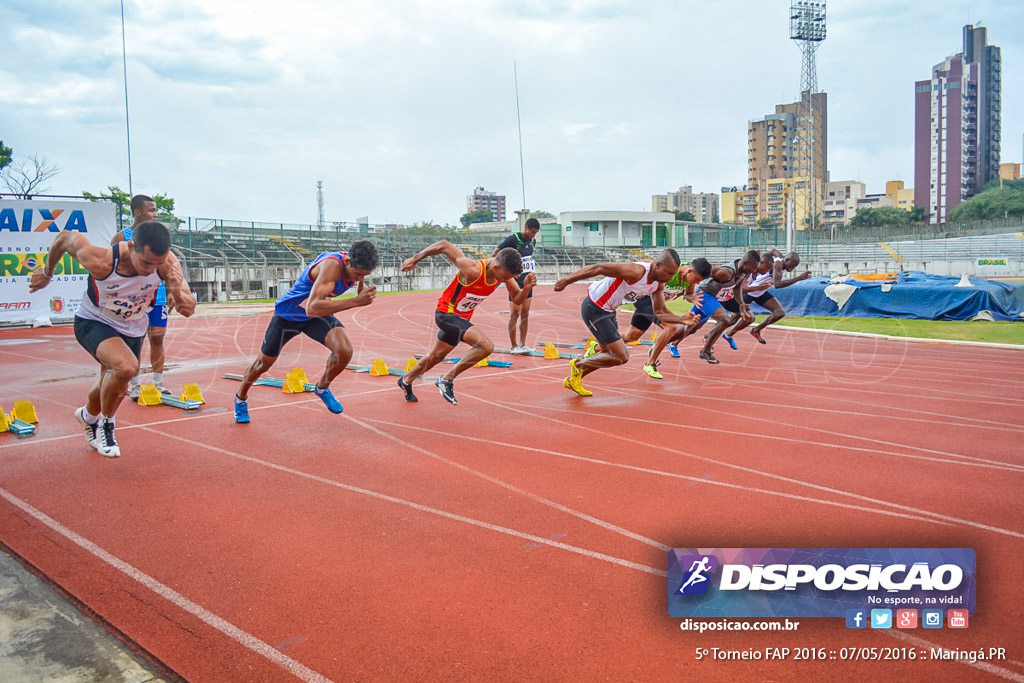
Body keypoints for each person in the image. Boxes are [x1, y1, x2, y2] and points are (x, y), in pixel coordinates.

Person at [29, 222, 196, 457]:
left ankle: (87, 416)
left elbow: (189, 309)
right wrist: (47, 273)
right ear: (130, 247)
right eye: (146, 262)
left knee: (114, 381)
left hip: (133, 328)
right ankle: (106, 426)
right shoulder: (103, 261)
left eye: (157, 263)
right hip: (94, 321)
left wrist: (178, 293)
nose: (151, 269)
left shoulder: (167, 265)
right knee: (126, 367)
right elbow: (64, 239)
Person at [233, 241, 379, 424]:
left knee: (344, 350)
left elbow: (317, 309)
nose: (358, 278)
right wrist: (356, 301)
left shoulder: (355, 266)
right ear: (348, 261)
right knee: (263, 364)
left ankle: (322, 387)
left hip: (314, 317)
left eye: (364, 275)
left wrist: (360, 284)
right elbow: (312, 308)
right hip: (290, 314)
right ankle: (240, 397)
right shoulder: (332, 266)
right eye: (357, 274)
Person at [398, 241, 532, 405]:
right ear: (496, 266)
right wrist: (415, 258)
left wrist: (525, 289)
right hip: (446, 314)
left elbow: (517, 299)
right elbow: (444, 246)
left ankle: (406, 380)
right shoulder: (473, 269)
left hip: (461, 319)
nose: (506, 281)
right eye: (505, 277)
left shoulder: (502, 276)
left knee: (436, 356)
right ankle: (446, 380)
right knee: (486, 346)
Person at [553, 249, 699, 396]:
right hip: (594, 307)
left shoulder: (658, 284)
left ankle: (574, 379)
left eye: (673, 274)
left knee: (606, 353)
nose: (669, 278)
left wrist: (681, 319)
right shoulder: (636, 271)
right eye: (668, 273)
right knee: (621, 356)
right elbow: (598, 268)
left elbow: (659, 312)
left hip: (609, 310)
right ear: (658, 265)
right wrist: (567, 280)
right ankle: (578, 364)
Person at [111, 195, 173, 398]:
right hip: (133, 298)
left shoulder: (159, 236)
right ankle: (135, 385)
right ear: (138, 212)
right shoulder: (123, 236)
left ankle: (158, 382)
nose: (155, 214)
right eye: (151, 210)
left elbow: (168, 265)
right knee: (133, 341)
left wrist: (173, 290)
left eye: (156, 210)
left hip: (158, 296)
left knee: (157, 338)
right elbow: (113, 267)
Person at [620, 261, 705, 379]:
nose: (698, 283)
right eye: (697, 279)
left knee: (632, 336)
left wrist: (693, 298)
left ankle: (597, 346)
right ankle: (650, 363)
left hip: (656, 305)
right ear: (690, 271)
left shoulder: (688, 279)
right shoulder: (671, 271)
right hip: (645, 299)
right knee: (672, 327)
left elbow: (688, 294)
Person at [738, 249, 811, 344]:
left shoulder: (780, 258)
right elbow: (777, 284)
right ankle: (726, 334)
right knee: (733, 319)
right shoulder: (778, 265)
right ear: (787, 259)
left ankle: (756, 330)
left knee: (779, 312)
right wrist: (799, 278)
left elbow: (773, 251)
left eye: (795, 266)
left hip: (760, 292)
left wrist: (763, 259)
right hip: (750, 291)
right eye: (792, 265)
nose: (792, 268)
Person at [492, 217, 541, 354]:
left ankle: (523, 344)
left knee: (525, 314)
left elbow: (528, 259)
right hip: (515, 281)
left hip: (527, 282)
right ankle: (514, 346)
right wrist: (507, 270)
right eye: (531, 232)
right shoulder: (513, 239)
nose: (533, 235)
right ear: (525, 227)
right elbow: (495, 253)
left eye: (535, 233)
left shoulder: (533, 242)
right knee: (515, 314)